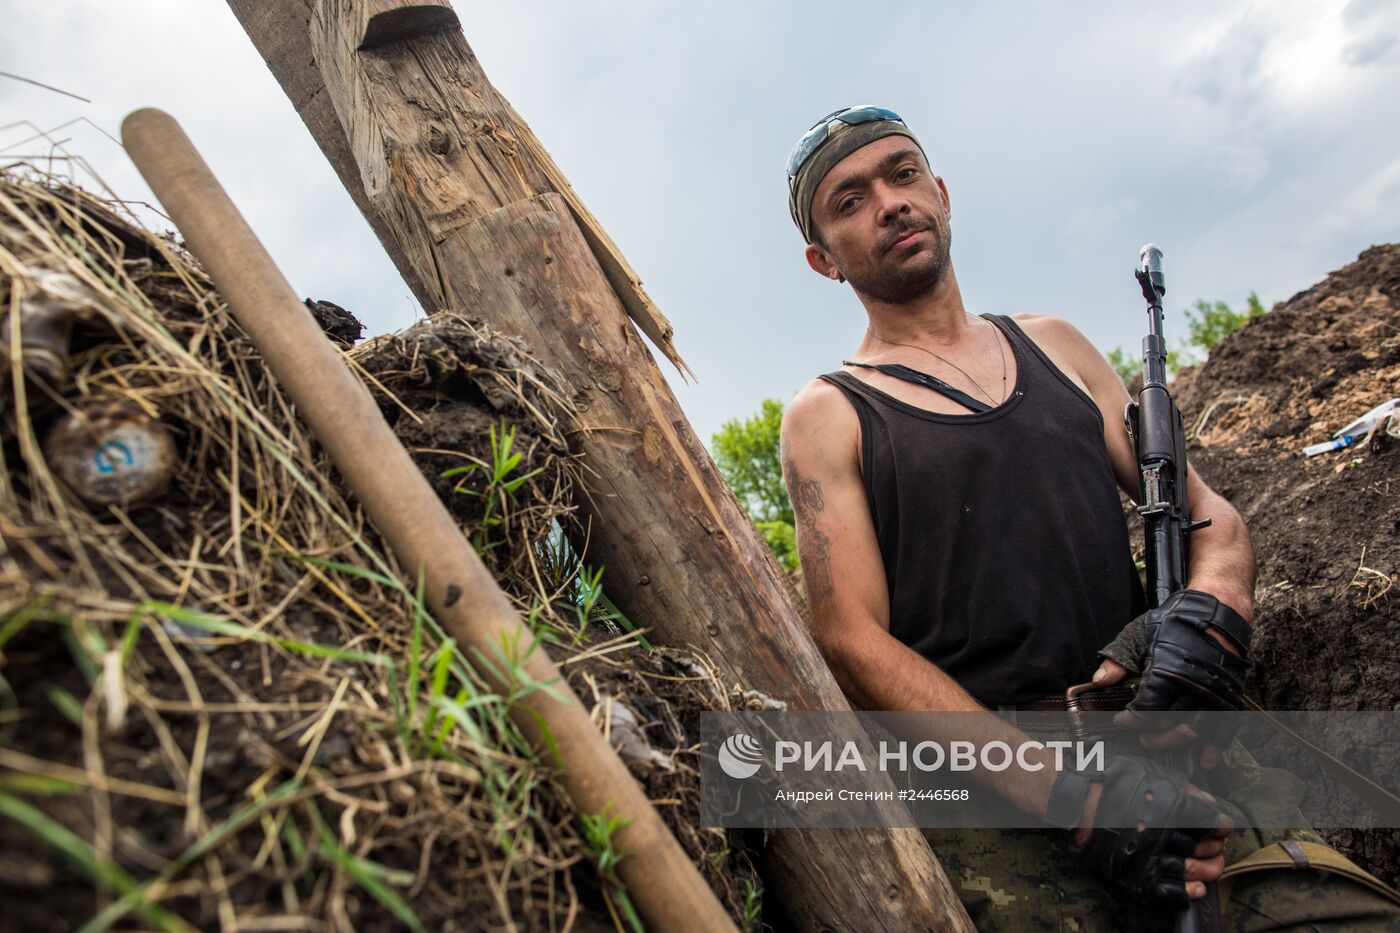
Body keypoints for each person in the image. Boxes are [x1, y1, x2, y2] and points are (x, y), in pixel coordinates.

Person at [777, 104, 1400, 931]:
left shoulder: (1058, 345)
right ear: (824, 261)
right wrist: (1073, 797)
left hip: (1165, 746)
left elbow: (1203, 509)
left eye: (903, 174)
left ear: (942, 192)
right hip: (1000, 797)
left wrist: (1210, 610)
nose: (889, 202)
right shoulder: (828, 414)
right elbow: (853, 638)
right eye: (849, 200)